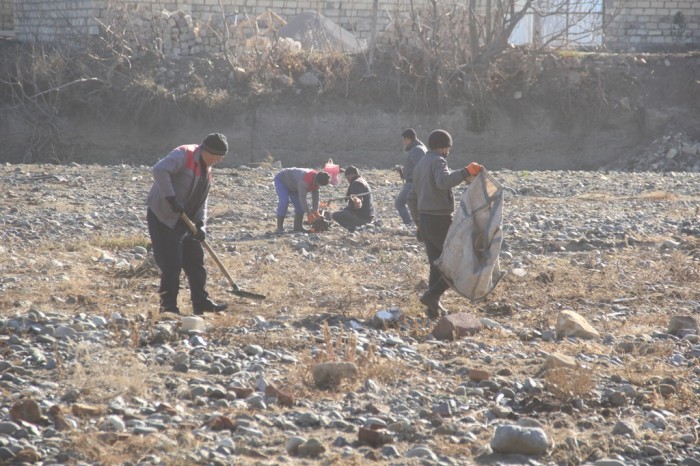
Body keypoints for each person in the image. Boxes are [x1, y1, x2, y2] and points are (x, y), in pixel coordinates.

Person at [146, 133, 230, 315]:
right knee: (172, 265)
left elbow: (202, 200)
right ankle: (168, 308)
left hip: (187, 220)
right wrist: (171, 198)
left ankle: (201, 302)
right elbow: (159, 170)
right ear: (209, 152)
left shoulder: (207, 168)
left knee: (196, 262)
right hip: (164, 217)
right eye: (219, 156)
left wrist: (201, 225)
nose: (220, 160)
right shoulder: (184, 154)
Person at [412, 129, 482, 318]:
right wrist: (466, 171)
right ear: (443, 148)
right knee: (457, 263)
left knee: (437, 264)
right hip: (439, 219)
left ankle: (432, 309)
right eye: (448, 148)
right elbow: (443, 181)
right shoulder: (438, 160)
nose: (448, 151)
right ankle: (432, 295)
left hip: (425, 219)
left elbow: (412, 195)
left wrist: (417, 221)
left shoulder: (421, 164)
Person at [274, 167, 331, 233]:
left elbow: (316, 197)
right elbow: (302, 198)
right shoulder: (304, 181)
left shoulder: (317, 180)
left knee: (300, 207)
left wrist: (316, 211)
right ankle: (279, 227)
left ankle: (298, 228)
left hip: (294, 185)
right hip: (282, 180)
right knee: (284, 201)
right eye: (319, 185)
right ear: (317, 181)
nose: (319, 186)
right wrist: (309, 213)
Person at [395, 128, 427, 229]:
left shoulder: (416, 150)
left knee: (399, 203)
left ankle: (409, 226)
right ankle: (418, 227)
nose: (403, 143)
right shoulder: (420, 148)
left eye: (404, 140)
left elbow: (421, 168)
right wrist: (404, 172)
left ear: (408, 139)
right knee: (416, 206)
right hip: (415, 182)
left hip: (413, 183)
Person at [331, 166, 375, 232]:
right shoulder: (362, 180)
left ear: (351, 175)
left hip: (363, 218)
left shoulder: (356, 183)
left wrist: (348, 208)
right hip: (369, 215)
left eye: (347, 178)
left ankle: (354, 228)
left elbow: (358, 203)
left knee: (335, 215)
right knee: (343, 211)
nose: (347, 180)